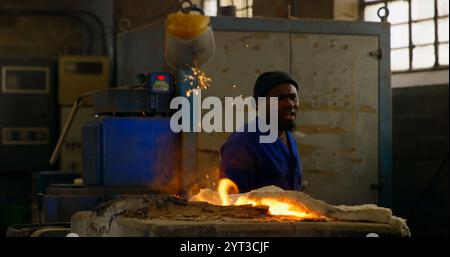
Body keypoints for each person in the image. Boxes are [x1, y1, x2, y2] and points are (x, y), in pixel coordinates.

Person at [220, 71, 302, 193]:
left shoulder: (289, 138)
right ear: (258, 104)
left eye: (293, 97)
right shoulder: (242, 143)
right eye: (280, 99)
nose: (290, 104)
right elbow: (231, 201)